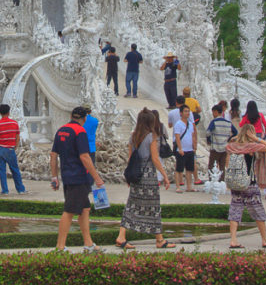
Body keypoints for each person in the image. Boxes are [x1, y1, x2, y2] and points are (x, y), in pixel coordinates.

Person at [115, 109, 173, 250]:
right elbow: (154, 158)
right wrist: (165, 175)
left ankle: (121, 236)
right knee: (153, 207)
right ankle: (159, 240)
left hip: (136, 175)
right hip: (148, 176)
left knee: (132, 206)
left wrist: (129, 176)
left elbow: (130, 158)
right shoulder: (151, 136)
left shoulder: (133, 136)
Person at [50, 106, 106, 253]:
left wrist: (54, 176)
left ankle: (88, 244)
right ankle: (60, 247)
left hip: (67, 176)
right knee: (69, 211)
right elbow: (85, 156)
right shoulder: (80, 131)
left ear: (71, 115)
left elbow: (53, 155)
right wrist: (97, 177)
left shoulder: (61, 130)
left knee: (85, 209)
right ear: (84, 118)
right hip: (79, 177)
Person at [226, 124, 266, 249]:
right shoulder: (251, 147)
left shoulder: (232, 146)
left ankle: (233, 239)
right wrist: (256, 138)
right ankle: (265, 239)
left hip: (236, 183)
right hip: (250, 183)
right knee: (257, 210)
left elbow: (229, 143)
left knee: (235, 209)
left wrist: (239, 136)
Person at [0, 103, 26, 194]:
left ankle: (5, 190)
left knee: (2, 171)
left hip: (0, 149)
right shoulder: (14, 123)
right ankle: (20, 189)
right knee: (15, 170)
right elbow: (17, 138)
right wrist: (14, 146)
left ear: (0, 113)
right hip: (10, 149)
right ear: (9, 112)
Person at [206, 103, 237, 179]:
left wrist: (209, 140)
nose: (213, 114)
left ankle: (212, 181)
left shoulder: (214, 122)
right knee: (222, 166)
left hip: (215, 147)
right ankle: (222, 181)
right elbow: (235, 132)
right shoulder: (228, 123)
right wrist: (229, 139)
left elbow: (208, 133)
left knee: (212, 165)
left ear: (216, 112)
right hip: (224, 147)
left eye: (213, 112)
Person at [173, 105, 197, 192]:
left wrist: (194, 146)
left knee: (189, 169)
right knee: (179, 169)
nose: (187, 113)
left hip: (190, 149)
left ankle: (189, 186)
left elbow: (192, 135)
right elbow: (177, 137)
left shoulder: (190, 124)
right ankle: (178, 186)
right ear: (181, 113)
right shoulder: (178, 124)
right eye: (186, 111)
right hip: (182, 150)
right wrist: (180, 148)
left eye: (188, 111)